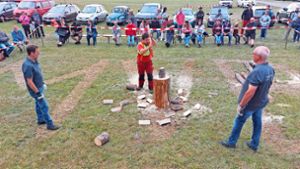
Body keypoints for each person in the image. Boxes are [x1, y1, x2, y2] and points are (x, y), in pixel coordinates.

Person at [220, 46, 275, 152]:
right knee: (257, 121)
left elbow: (250, 92)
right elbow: (268, 84)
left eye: (253, 53)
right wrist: (265, 94)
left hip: (251, 104)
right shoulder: (270, 69)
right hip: (261, 102)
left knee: (239, 120)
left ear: (258, 57)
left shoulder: (257, 71)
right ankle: (254, 143)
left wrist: (241, 105)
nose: (252, 55)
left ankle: (231, 142)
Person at [22, 45, 60, 130]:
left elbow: (37, 74)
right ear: (31, 53)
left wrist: (42, 83)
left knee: (38, 104)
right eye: (37, 52)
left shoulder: (34, 61)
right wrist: (38, 93)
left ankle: (40, 119)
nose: (39, 53)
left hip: (39, 86)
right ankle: (50, 124)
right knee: (44, 106)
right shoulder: (28, 65)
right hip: (35, 90)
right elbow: (30, 81)